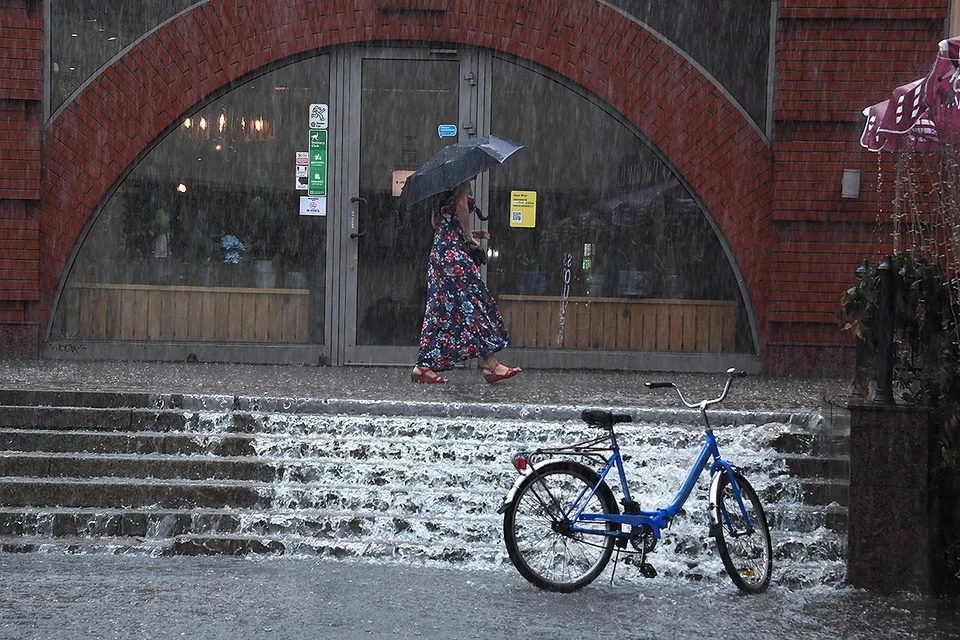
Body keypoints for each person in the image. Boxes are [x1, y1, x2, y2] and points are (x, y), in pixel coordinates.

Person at [411, 180, 520, 384]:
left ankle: (425, 366)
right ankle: (490, 365)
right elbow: (461, 206)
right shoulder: (461, 181)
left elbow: (437, 224)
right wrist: (469, 237)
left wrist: (468, 233)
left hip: (440, 250)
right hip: (453, 254)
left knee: (442, 309)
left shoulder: (440, 189)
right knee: (474, 302)